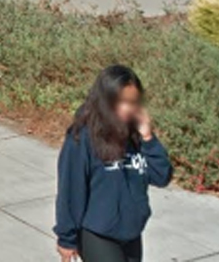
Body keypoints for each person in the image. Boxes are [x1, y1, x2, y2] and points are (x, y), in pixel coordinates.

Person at [54, 64, 172, 262]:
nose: (129, 108)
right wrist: (66, 238)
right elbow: (71, 190)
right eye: (122, 102)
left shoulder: (135, 137)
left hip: (131, 233)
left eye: (134, 102)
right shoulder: (82, 138)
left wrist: (148, 137)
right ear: (106, 101)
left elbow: (161, 177)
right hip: (97, 234)